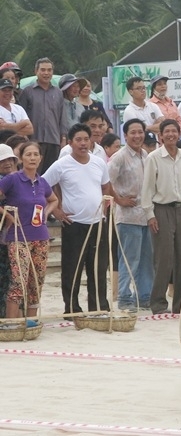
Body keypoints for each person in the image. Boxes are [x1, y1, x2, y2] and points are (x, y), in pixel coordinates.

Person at [44, 123, 118, 316]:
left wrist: (104, 203)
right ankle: (72, 308)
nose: (83, 143)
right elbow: (43, 186)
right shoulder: (62, 164)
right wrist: (57, 211)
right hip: (73, 224)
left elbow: (106, 186)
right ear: (70, 143)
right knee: (72, 268)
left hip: (97, 223)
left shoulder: (98, 162)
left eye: (86, 139)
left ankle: (98, 307)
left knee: (98, 267)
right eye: (78, 140)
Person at [141, 119, 181, 315]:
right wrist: (150, 214)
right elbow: (146, 188)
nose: (171, 135)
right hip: (160, 210)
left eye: (174, 131)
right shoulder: (154, 158)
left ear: (179, 133)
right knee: (164, 258)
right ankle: (158, 303)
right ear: (160, 136)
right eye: (167, 132)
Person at [0, 141, 58, 320]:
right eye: (28, 154)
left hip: (41, 237)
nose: (32, 158)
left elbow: (53, 200)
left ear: (40, 158)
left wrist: (45, 215)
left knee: (36, 281)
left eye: (35, 154)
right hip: (17, 238)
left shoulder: (42, 182)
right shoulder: (12, 179)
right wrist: (8, 216)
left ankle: (31, 322)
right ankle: (12, 323)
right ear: (21, 159)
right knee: (18, 281)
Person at [108, 119, 153, 310]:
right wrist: (119, 200)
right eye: (132, 133)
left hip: (146, 216)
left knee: (146, 261)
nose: (137, 136)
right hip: (128, 218)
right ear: (125, 135)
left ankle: (144, 297)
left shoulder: (146, 155)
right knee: (128, 259)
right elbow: (105, 182)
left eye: (140, 132)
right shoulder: (119, 157)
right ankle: (125, 298)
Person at [18, 57, 65, 172]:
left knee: (52, 174)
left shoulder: (58, 93)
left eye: (49, 70)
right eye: (43, 70)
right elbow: (22, 116)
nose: (46, 73)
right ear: (36, 72)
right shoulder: (27, 92)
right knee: (33, 173)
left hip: (54, 141)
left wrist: (63, 139)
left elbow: (62, 117)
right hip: (34, 141)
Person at [0, 144, 19, 318]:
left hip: (13, 236)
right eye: (2, 160)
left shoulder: (16, 179)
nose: (6, 163)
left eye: (9, 159)